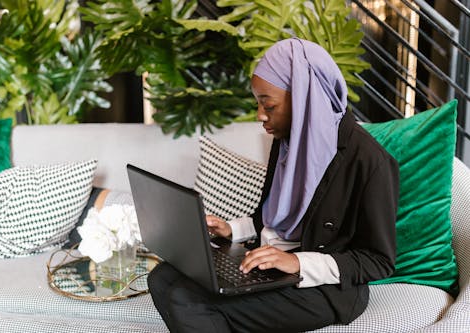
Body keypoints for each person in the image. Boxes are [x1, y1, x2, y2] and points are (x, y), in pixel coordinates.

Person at [147, 37, 400, 332]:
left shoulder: (370, 161)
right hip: (269, 266)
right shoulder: (286, 142)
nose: (260, 116)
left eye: (268, 104)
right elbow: (270, 218)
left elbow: (378, 260)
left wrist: (297, 263)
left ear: (306, 98)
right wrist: (233, 230)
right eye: (258, 103)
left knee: (186, 301)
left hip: (322, 288)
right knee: (161, 277)